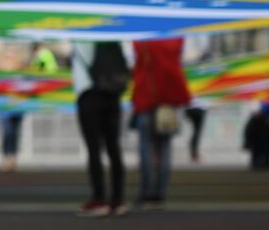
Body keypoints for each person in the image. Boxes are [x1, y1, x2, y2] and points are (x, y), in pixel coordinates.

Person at [131, 37, 192, 210]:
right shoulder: (175, 39)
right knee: (165, 149)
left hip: (146, 97)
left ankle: (146, 192)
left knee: (146, 149)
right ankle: (160, 193)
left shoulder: (143, 39)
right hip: (169, 101)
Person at [72, 40, 129, 217]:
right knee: (114, 148)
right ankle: (118, 199)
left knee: (94, 149)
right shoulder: (112, 35)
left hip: (89, 94)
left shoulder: (79, 35)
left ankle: (99, 199)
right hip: (112, 93)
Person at [243, 102, 269, 171]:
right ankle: (259, 162)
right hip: (262, 119)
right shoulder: (262, 98)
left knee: (267, 142)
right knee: (260, 142)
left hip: (268, 119)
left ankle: (264, 162)